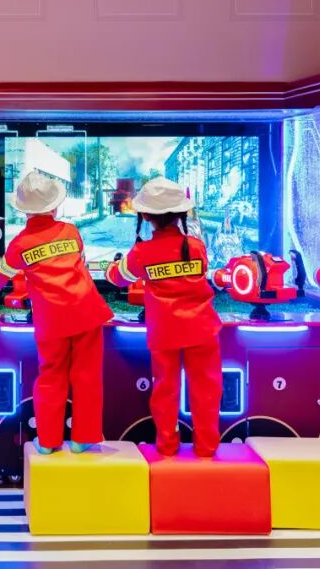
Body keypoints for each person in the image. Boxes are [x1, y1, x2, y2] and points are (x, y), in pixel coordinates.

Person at [0, 172, 113, 454]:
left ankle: (48, 441)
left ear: (24, 210)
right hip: (86, 311)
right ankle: (84, 437)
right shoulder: (71, 231)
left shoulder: (20, 244)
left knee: (51, 377)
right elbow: (78, 262)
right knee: (87, 376)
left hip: (51, 320)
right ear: (54, 207)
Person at [105, 177, 223, 457]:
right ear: (181, 213)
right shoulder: (196, 246)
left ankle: (167, 446)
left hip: (164, 332)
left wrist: (112, 267)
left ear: (145, 216)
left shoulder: (142, 252)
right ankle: (207, 447)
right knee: (206, 389)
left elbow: (118, 278)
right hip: (202, 329)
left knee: (165, 390)